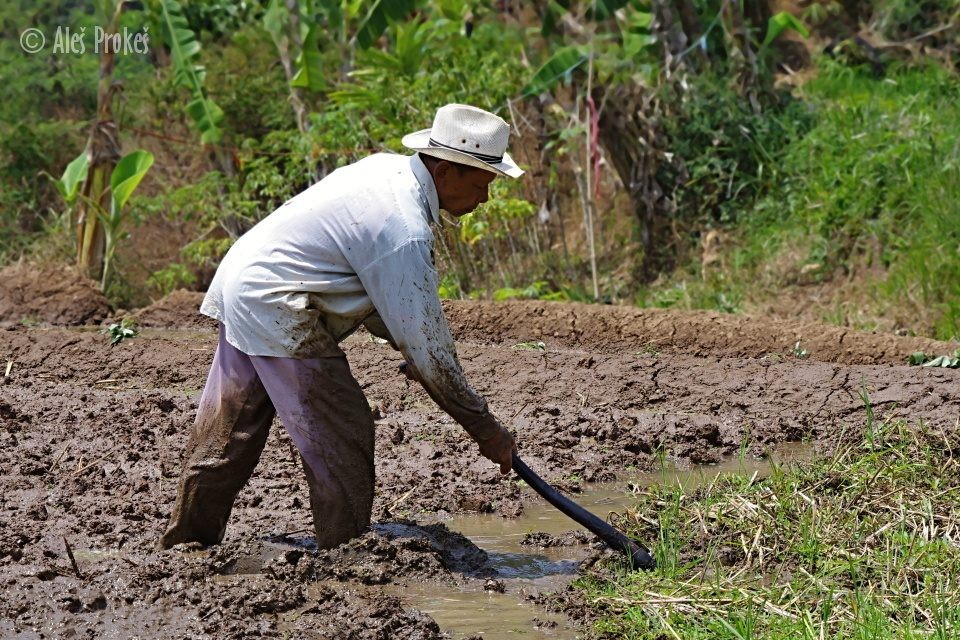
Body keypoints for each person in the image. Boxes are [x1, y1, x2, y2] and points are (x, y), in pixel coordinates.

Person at [160, 104, 523, 550]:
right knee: (344, 428)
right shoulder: (403, 227)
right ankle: (345, 554)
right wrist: (486, 431)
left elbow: (374, 294)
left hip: (249, 283)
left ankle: (185, 546)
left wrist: (410, 348)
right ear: (447, 170)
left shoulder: (386, 172)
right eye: (481, 183)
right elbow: (431, 350)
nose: (484, 198)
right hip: (281, 304)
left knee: (229, 431)